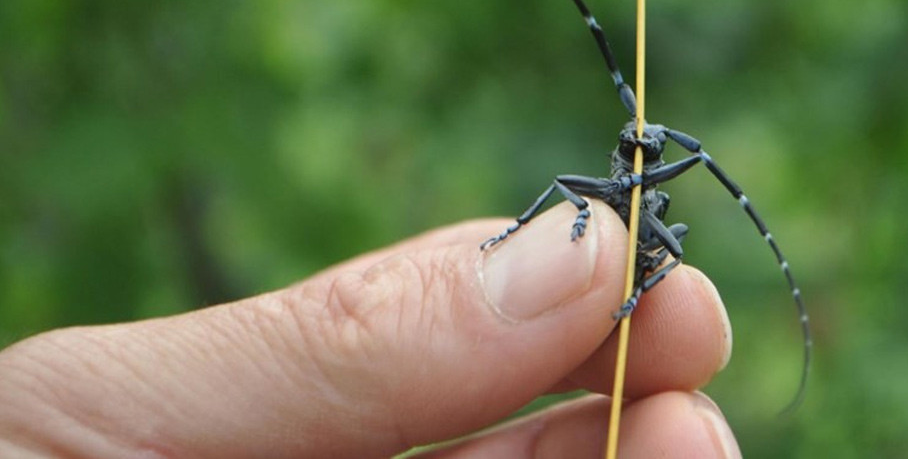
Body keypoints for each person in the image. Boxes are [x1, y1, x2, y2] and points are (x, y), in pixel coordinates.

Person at [0, 201, 740, 458]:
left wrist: (629, 290)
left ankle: (630, 285)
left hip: (627, 285)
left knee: (668, 263)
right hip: (594, 293)